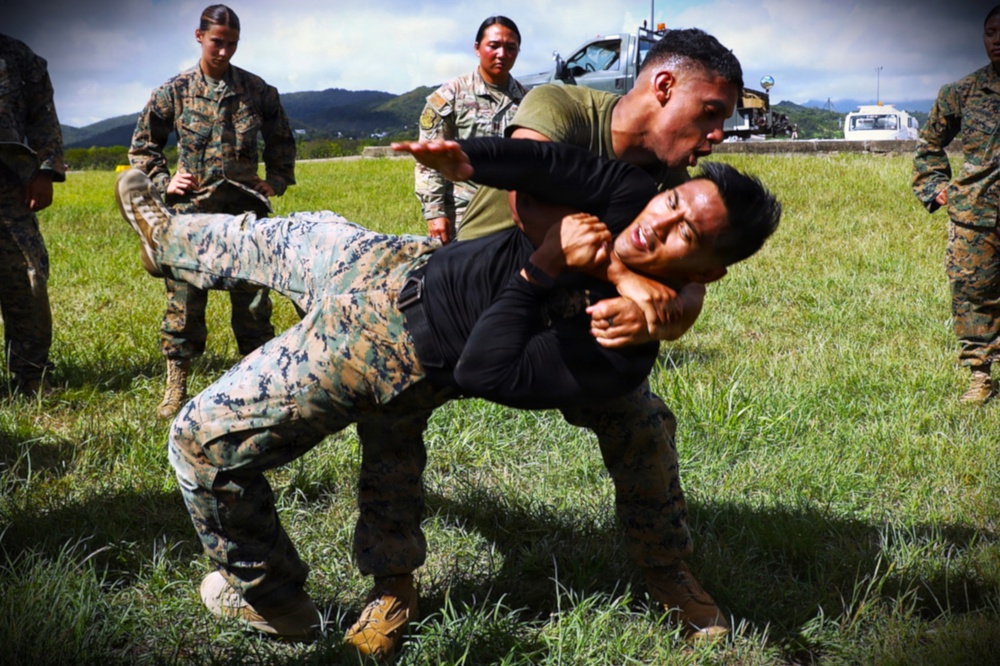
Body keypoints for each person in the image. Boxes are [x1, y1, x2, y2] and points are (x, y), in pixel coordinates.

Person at [114, 136, 780, 658]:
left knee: (201, 440)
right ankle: (166, 241)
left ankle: (273, 601)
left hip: (395, 341)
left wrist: (544, 267)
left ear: (708, 269)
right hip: (403, 261)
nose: (657, 223)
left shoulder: (616, 348)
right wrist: (469, 159)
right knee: (290, 234)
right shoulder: (632, 195)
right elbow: (548, 164)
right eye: (672, 203)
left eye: (686, 233)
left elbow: (485, 369)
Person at [449, 25, 744, 643]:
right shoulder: (560, 106)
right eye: (711, 112)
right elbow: (531, 207)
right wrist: (623, 276)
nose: (718, 133)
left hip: (571, 317)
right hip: (477, 296)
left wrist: (652, 316)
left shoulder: (674, 183)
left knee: (643, 422)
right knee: (390, 399)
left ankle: (666, 571)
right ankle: (392, 582)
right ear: (664, 86)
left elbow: (692, 290)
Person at [129, 4, 296, 419]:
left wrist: (275, 180)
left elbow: (282, 139)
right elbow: (143, 144)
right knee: (184, 303)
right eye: (217, 42)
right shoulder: (175, 91)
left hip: (244, 215)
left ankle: (258, 385)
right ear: (199, 36)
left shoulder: (257, 91)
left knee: (254, 304)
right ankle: (176, 385)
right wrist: (163, 180)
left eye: (232, 44)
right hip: (192, 214)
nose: (224, 51)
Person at [913, 5, 1000, 404]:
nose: (996, 40)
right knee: (972, 294)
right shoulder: (961, 92)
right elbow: (929, 144)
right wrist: (935, 186)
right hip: (974, 215)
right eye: (990, 33)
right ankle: (980, 376)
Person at [415, 15, 526, 244]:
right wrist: (435, 213)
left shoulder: (526, 101)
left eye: (510, 48)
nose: (502, 54)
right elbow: (430, 158)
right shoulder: (451, 95)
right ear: (477, 48)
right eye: (494, 46)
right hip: (464, 212)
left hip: (510, 214)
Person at [0, 33, 64, 397]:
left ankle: (31, 375)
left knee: (27, 278)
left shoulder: (17, 56)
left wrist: (45, 170)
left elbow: (42, 116)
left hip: (10, 185)